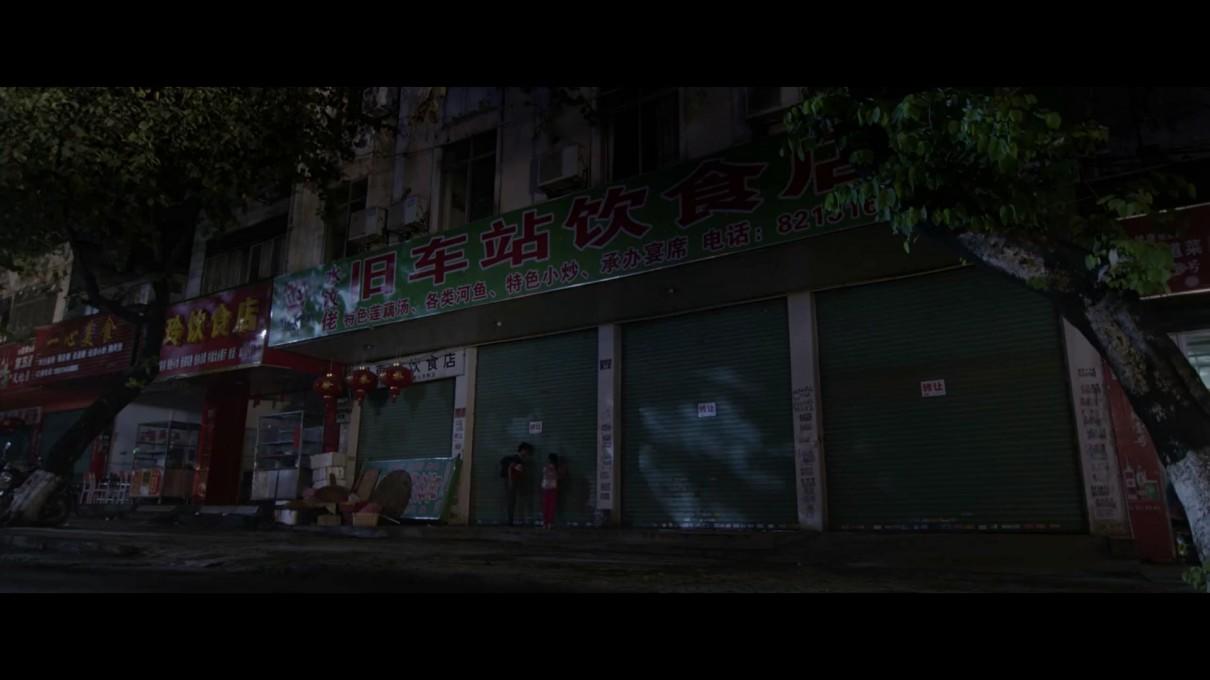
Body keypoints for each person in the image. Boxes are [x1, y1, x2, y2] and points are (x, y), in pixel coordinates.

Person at [500, 442, 532, 526]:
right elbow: (510, 467)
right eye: (527, 451)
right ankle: (510, 521)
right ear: (523, 450)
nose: (527, 453)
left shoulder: (519, 460)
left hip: (513, 481)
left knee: (512, 500)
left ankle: (510, 520)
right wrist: (511, 481)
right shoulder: (516, 458)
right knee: (511, 500)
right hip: (511, 481)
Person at [541, 453, 562, 530]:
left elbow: (546, 475)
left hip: (546, 488)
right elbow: (558, 477)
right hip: (552, 488)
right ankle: (549, 523)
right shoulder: (555, 468)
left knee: (546, 506)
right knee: (550, 507)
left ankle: (546, 523)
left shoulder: (547, 467)